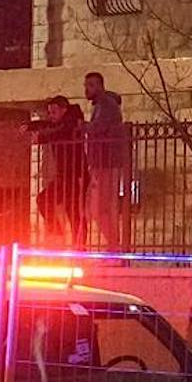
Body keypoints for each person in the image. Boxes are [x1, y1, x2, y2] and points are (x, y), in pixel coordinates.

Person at [30, 94, 88, 245]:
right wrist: (31, 127)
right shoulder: (59, 125)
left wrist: (42, 137)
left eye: (54, 112)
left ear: (64, 110)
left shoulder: (72, 123)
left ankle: (78, 244)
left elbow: (60, 131)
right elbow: (49, 127)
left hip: (76, 174)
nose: (51, 116)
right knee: (46, 200)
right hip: (64, 175)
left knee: (73, 211)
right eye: (49, 112)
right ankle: (59, 232)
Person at [84, 70, 131, 250]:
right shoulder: (101, 105)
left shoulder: (106, 105)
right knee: (99, 208)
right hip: (101, 163)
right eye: (86, 85)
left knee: (101, 208)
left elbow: (99, 128)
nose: (87, 89)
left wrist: (84, 128)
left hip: (106, 163)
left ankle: (114, 246)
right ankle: (113, 245)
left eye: (91, 85)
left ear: (101, 86)